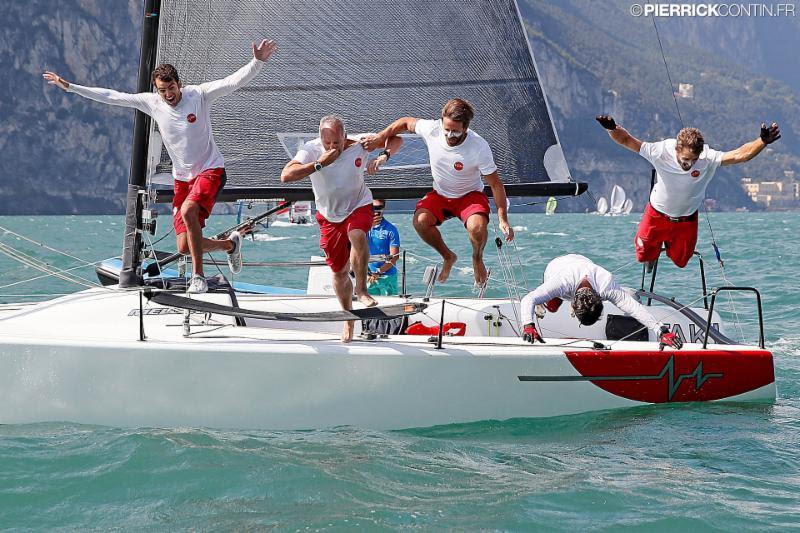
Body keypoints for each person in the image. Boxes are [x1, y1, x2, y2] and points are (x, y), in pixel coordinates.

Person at [43, 40, 279, 293]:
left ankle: (197, 276)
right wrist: (70, 87)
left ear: (179, 83)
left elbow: (232, 82)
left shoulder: (198, 95)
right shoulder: (152, 102)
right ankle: (229, 246)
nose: (168, 95)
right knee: (184, 247)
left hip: (210, 170)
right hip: (182, 179)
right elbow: (112, 96)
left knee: (189, 211)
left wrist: (257, 61)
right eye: (162, 90)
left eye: (171, 88)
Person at [362, 98, 514, 286]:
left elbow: (496, 185)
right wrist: (380, 137)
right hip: (441, 194)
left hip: (469, 196)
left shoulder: (479, 147)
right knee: (420, 222)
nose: (450, 134)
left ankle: (477, 257)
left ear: (465, 127)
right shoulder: (432, 129)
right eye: (447, 129)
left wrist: (503, 218)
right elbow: (404, 122)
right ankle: (448, 256)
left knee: (477, 228)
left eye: (456, 131)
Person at [596, 115, 781, 268]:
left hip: (686, 220)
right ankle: (653, 251)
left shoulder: (707, 157)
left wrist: (762, 141)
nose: (689, 164)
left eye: (693, 159)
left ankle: (667, 243)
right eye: (685, 159)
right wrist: (611, 128)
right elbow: (627, 140)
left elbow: (739, 155)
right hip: (656, 215)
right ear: (676, 149)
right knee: (643, 255)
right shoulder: (660, 151)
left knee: (681, 261)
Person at [280, 115, 402, 342]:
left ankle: (362, 290)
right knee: (338, 272)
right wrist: (320, 163)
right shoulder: (312, 150)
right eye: (327, 143)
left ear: (345, 136)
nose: (332, 147)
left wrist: (382, 156)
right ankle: (349, 320)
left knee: (357, 234)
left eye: (336, 143)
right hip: (329, 215)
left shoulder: (359, 144)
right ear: (320, 138)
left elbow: (395, 139)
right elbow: (286, 175)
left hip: (359, 203)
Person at [520, 254, 683, 350]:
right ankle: (549, 301)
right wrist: (528, 324)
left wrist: (662, 331)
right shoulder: (562, 283)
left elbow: (634, 308)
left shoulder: (606, 285)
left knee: (627, 300)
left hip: (582, 261)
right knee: (553, 306)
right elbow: (528, 299)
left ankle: (568, 304)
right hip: (556, 267)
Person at [367, 199, 400, 296]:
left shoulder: (391, 229)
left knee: (391, 307)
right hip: (368, 274)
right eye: (373, 208)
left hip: (388, 276)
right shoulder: (363, 229)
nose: (376, 211)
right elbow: (355, 248)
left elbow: (395, 256)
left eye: (379, 208)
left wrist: (378, 272)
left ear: (384, 208)